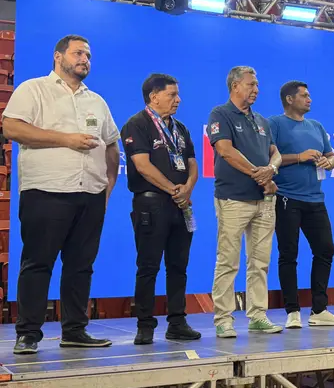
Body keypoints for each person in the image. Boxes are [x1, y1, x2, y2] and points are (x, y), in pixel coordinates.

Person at [4, 35, 119, 354]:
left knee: (81, 266)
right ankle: (28, 333)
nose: (85, 59)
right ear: (58, 56)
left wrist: (108, 185)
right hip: (46, 191)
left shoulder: (96, 100)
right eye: (78, 53)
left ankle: (75, 330)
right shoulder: (33, 89)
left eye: (88, 55)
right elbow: (12, 128)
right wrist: (66, 139)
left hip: (90, 194)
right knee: (38, 263)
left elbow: (111, 143)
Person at [120, 74, 202, 344]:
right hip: (151, 204)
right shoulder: (137, 124)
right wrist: (173, 190)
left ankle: (177, 322)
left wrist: (187, 188)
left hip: (181, 205)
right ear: (154, 96)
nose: (178, 100)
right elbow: (142, 165)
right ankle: (145, 325)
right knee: (148, 266)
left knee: (179, 266)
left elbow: (192, 163)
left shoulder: (180, 128)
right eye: (172, 95)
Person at [208, 66, 284, 337]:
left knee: (260, 261)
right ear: (235, 86)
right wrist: (259, 174)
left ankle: (258, 315)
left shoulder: (261, 120)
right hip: (233, 198)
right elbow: (225, 151)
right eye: (251, 84)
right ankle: (223, 319)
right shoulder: (221, 114)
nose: (256, 90)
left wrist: (271, 169)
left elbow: (275, 153)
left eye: (257, 85)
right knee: (228, 260)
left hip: (264, 200)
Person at [269, 81, 334, 329]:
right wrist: (299, 157)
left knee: (325, 250)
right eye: (304, 95)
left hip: (315, 199)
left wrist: (329, 162)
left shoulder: (316, 126)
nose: (309, 99)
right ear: (289, 99)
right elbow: (269, 158)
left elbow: (331, 155)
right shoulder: (275, 124)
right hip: (286, 198)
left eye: (309, 95)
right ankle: (292, 311)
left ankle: (319, 309)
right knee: (288, 254)